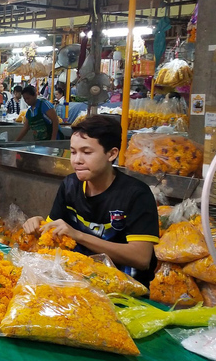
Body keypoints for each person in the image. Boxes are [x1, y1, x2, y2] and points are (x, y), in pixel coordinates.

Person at [22, 115, 159, 286]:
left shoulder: (136, 194)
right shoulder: (70, 185)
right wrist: (39, 225)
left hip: (127, 291)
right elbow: (55, 235)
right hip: (79, 283)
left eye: (86, 152)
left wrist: (79, 236)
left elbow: (141, 258)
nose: (77, 160)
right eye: (73, 152)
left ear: (111, 154)